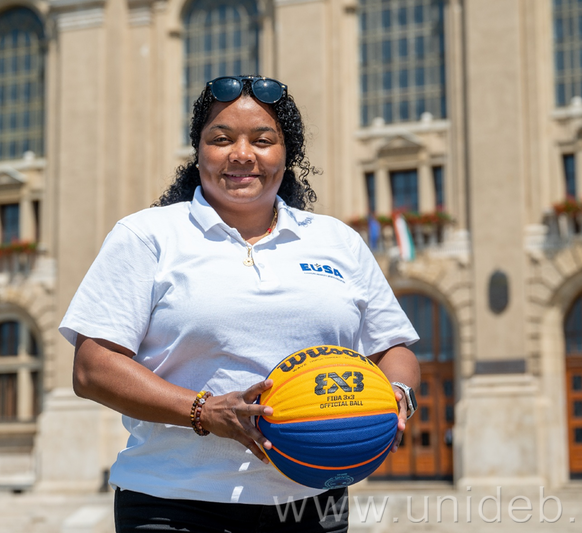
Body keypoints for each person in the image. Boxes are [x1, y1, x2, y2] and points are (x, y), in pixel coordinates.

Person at [59, 75, 420, 533]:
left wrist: (398, 395)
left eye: (262, 140)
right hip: (175, 503)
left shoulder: (337, 241)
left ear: (287, 154)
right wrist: (204, 411)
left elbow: (393, 349)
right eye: (221, 139)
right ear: (198, 151)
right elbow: (92, 368)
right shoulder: (146, 235)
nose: (242, 154)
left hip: (312, 504)